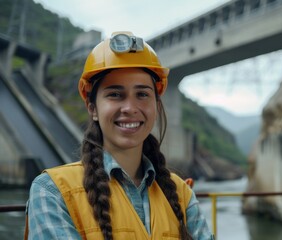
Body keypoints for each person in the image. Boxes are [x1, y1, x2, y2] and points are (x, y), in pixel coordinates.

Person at [24, 31, 213, 240]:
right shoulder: (52, 191)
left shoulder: (182, 194)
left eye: (142, 94)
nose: (130, 108)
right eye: (115, 94)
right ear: (92, 107)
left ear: (156, 106)